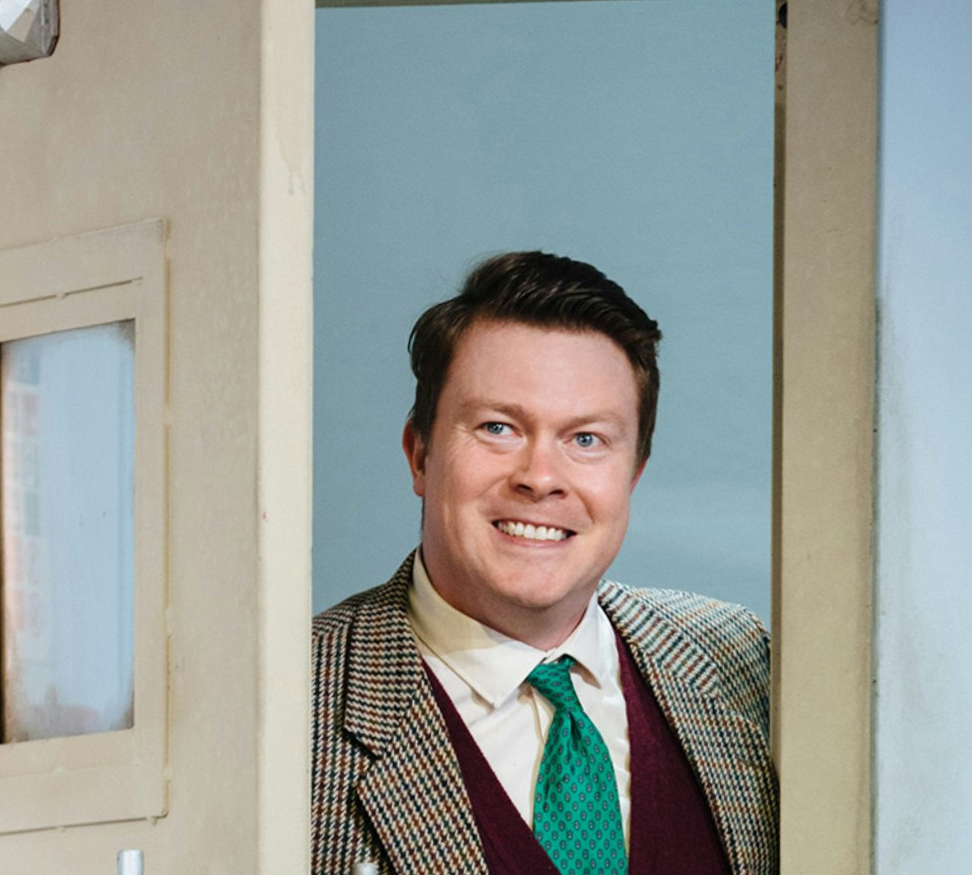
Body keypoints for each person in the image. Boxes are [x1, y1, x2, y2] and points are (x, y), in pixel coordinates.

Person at [311, 251, 777, 875]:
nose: (540, 477)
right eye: (498, 427)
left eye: (587, 439)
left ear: (633, 475)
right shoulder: (293, 708)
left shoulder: (739, 661)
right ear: (419, 454)